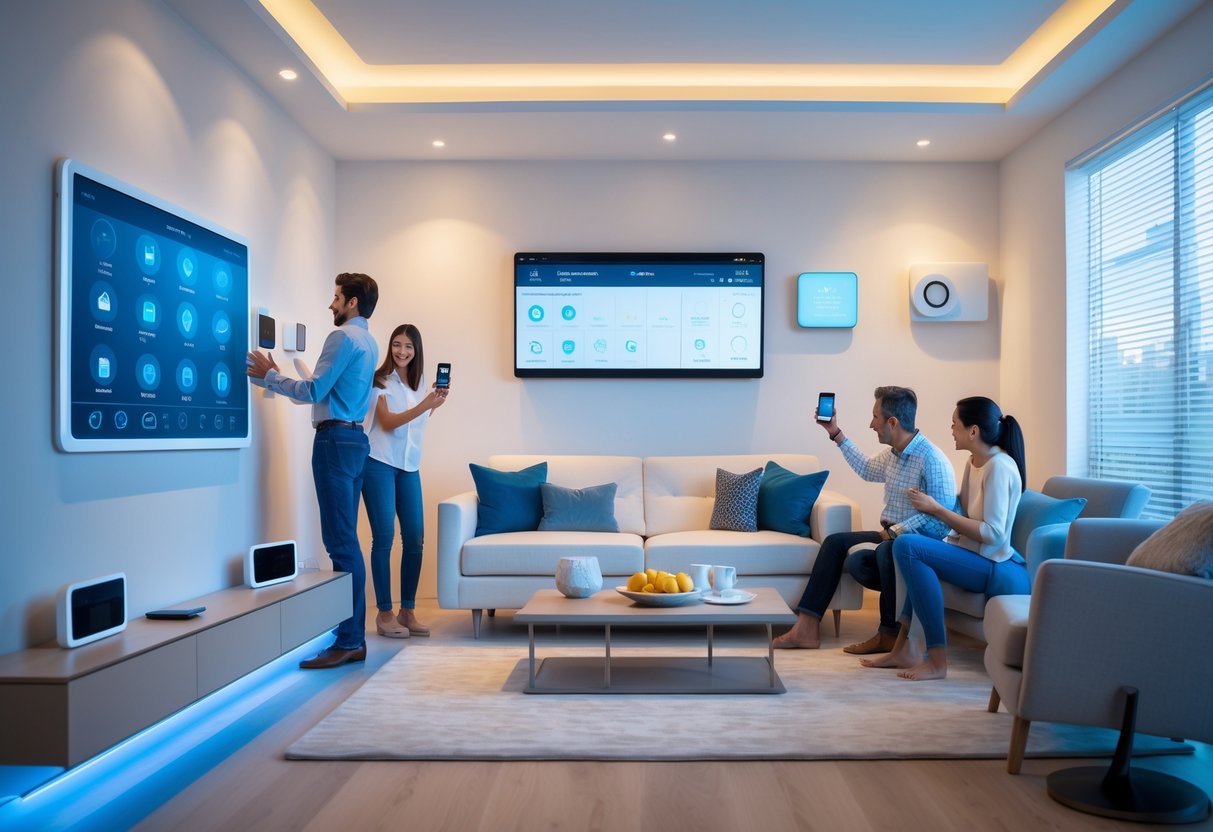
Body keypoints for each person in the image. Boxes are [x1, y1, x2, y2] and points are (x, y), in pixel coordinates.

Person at [247, 273, 380, 669]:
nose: (331, 304)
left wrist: (270, 376)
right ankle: (352, 638)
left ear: (352, 302)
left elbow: (314, 391)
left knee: (341, 544)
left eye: (336, 297)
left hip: (334, 442)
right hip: (355, 441)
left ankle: (349, 640)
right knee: (347, 542)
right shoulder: (369, 341)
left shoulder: (342, 337)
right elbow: (330, 390)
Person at [774, 386, 956, 651]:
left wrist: (895, 532)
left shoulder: (932, 460)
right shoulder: (894, 454)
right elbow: (867, 469)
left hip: (916, 546)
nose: (871, 425)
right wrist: (835, 433)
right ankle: (807, 628)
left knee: (885, 552)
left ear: (892, 423)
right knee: (836, 543)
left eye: (875, 417)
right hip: (890, 535)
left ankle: (889, 635)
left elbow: (942, 522)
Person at [863, 396, 1029, 681]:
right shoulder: (974, 462)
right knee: (914, 553)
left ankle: (937, 660)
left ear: (973, 431)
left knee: (907, 546)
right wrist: (932, 504)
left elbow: (994, 534)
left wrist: (936, 509)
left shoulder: (999, 467)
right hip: (974, 557)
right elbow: (960, 510)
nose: (951, 429)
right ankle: (904, 648)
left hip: (996, 566)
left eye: (955, 423)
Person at [362, 324, 448, 639]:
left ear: (416, 350)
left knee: (415, 538)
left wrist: (432, 405)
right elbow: (387, 422)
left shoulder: (418, 383)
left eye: (408, 346)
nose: (402, 351)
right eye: (397, 344)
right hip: (379, 463)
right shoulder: (379, 380)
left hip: (409, 466)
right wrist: (425, 405)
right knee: (383, 538)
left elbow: (415, 424)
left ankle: (407, 611)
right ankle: (384, 613)